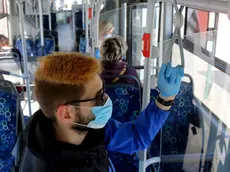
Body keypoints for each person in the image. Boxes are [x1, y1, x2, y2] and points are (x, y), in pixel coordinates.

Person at [24, 52, 184, 172]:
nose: (107, 99)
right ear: (67, 113)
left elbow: (136, 137)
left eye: (104, 91)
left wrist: (166, 97)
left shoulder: (89, 127)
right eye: (98, 96)